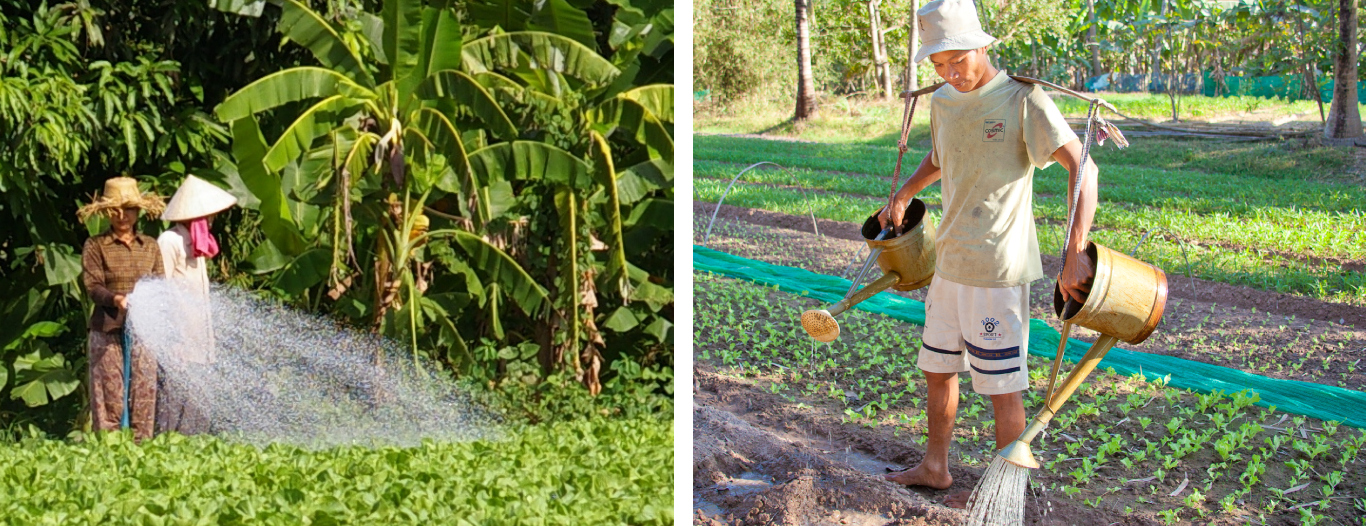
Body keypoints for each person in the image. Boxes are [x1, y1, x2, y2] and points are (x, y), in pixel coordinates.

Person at [878, 0, 1099, 508]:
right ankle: (935, 467)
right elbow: (940, 155)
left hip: (997, 271)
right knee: (938, 371)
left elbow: (1082, 169)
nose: (950, 74)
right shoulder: (943, 102)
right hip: (948, 264)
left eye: (959, 61)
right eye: (939, 66)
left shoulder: (1023, 100)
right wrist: (906, 193)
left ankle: (1008, 498)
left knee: (1002, 387)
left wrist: (1076, 250)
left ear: (982, 45)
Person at [78, 176, 167, 442]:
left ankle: (142, 448)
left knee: (143, 392)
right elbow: (92, 286)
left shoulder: (149, 246)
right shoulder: (95, 245)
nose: (122, 215)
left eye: (128, 209)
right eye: (115, 210)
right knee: (108, 393)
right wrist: (116, 299)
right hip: (107, 328)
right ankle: (109, 448)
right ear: (106, 212)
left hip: (144, 330)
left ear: (137, 211)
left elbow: (160, 284)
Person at [155, 174, 238, 435]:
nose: (211, 220)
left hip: (199, 338)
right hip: (178, 339)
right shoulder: (170, 241)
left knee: (198, 401)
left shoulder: (199, 247)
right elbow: (162, 291)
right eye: (207, 216)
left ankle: (195, 446)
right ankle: (169, 446)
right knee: (175, 399)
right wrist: (172, 337)